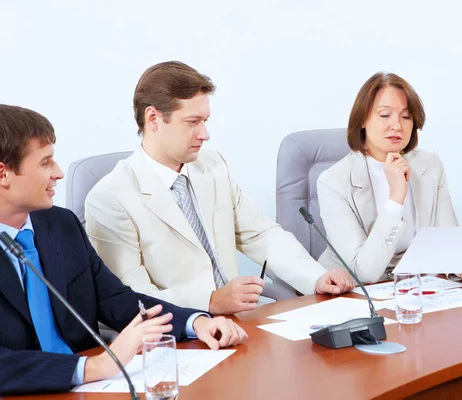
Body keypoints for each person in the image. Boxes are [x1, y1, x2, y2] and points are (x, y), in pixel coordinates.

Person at [0, 105, 246, 395]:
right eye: (45, 163)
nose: (59, 173)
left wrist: (195, 322)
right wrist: (96, 367)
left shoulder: (60, 223)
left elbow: (115, 299)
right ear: (3, 173)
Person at [85, 61, 354, 315]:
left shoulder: (214, 166)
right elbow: (130, 297)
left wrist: (316, 276)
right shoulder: (110, 197)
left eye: (205, 121)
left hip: (239, 324)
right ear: (154, 118)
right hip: (178, 336)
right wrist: (209, 301)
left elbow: (260, 235)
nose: (204, 134)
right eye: (192, 122)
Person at [317, 72, 462, 285]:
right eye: (385, 115)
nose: (397, 126)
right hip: (355, 292)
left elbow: (448, 239)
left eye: (406, 116)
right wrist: (396, 198)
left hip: (417, 284)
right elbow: (364, 272)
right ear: (363, 119)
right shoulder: (333, 181)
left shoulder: (430, 166)